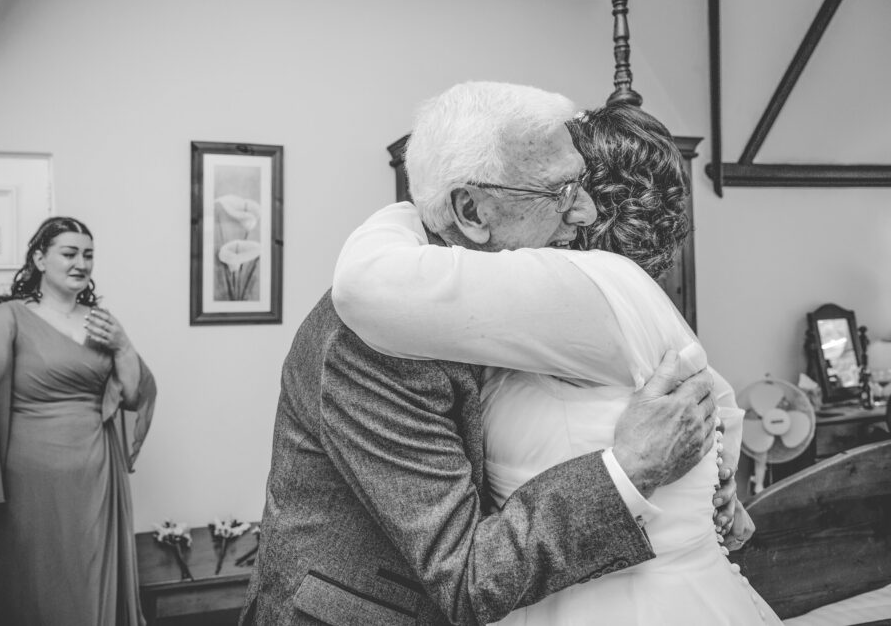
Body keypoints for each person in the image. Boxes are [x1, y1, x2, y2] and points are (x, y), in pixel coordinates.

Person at [240, 82, 723, 626]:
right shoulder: (372, 345)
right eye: (559, 191)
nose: (585, 213)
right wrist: (631, 468)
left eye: (581, 183)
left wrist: (714, 473)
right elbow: (467, 575)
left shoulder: (519, 297)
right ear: (470, 210)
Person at [0, 216, 157, 626]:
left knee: (91, 585)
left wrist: (123, 345)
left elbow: (134, 396)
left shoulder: (100, 322)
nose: (81, 263)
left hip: (98, 480)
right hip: (29, 486)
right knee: (36, 589)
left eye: (88, 255)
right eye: (69, 253)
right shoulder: (7, 320)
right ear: (39, 258)